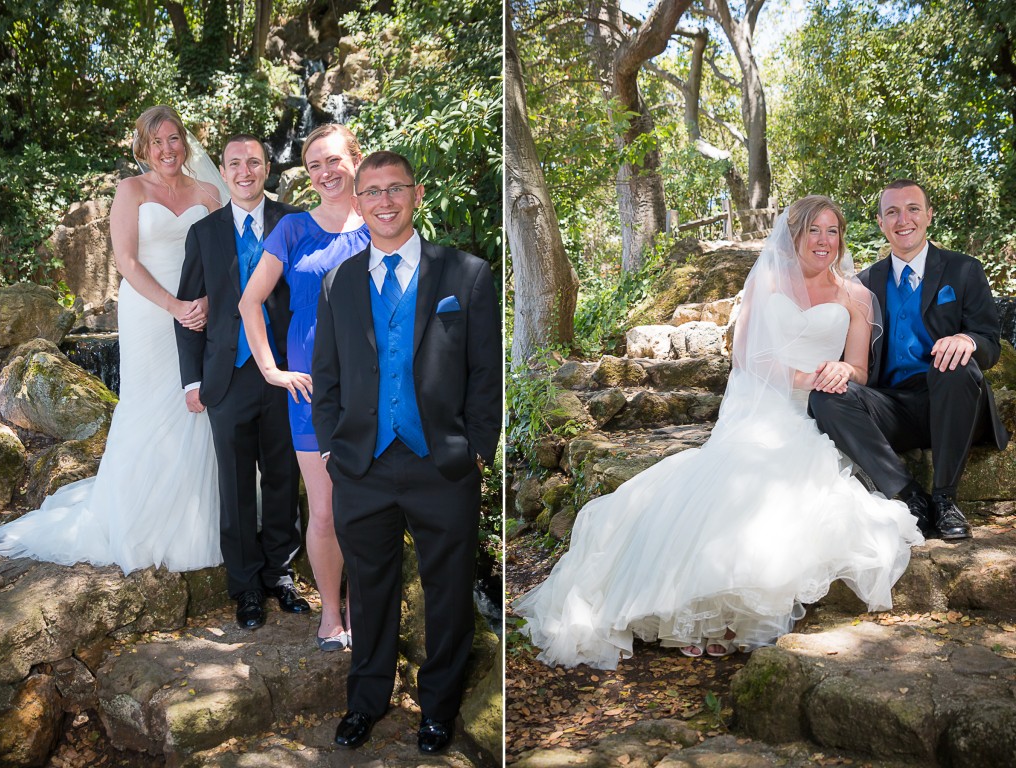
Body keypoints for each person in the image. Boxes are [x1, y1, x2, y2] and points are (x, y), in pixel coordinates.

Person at [513, 196, 923, 670]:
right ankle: (699, 613)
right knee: (737, 475)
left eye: (832, 231)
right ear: (794, 236)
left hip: (821, 414)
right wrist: (808, 376)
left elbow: (859, 369)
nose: (824, 242)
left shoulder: (856, 295)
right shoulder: (767, 281)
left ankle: (733, 617)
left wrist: (839, 374)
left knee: (794, 477)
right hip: (765, 407)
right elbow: (749, 358)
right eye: (814, 230)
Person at [311, 151, 502, 753]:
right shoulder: (339, 281)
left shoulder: (466, 275)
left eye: (395, 189)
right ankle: (366, 701)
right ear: (359, 202)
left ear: (417, 195)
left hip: (442, 463)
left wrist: (475, 449)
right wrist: (333, 450)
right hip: (362, 465)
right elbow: (328, 374)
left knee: (447, 592)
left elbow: (486, 373)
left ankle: (439, 709)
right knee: (368, 591)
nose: (384, 202)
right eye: (372, 192)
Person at [0, 105, 224, 572]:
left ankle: (199, 520)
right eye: (155, 142)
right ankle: (140, 518)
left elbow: (225, 259)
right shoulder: (131, 191)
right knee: (151, 406)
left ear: (186, 141)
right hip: (150, 311)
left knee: (199, 408)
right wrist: (175, 306)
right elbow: (127, 262)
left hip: (201, 311)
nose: (166, 150)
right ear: (142, 148)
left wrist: (207, 306)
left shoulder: (209, 193)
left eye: (173, 139)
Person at [810, 180, 1009, 540]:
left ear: (929, 215)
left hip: (954, 402)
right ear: (881, 222)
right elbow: (854, 359)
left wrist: (966, 340)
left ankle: (945, 499)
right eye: (892, 212)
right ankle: (909, 495)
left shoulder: (964, 270)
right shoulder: (865, 283)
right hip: (893, 407)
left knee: (955, 363)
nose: (904, 219)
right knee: (824, 395)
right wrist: (839, 368)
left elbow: (990, 344)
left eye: (913, 209)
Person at [238, 124, 370, 650]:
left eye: (333, 161)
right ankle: (331, 615)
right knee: (323, 509)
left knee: (369, 507)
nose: (324, 173)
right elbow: (250, 303)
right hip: (310, 391)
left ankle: (370, 613)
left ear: (355, 160)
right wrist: (272, 370)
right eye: (314, 165)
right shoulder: (292, 230)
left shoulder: (382, 221)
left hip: (372, 387)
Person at [175, 134, 308, 630]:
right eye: (235, 163)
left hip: (285, 374)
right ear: (224, 172)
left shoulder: (295, 223)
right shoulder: (204, 233)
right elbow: (189, 312)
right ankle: (246, 586)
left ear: (267, 168)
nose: (244, 170)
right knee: (233, 483)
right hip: (225, 378)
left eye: (254, 161)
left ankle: (280, 574)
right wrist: (191, 381)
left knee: (282, 477)